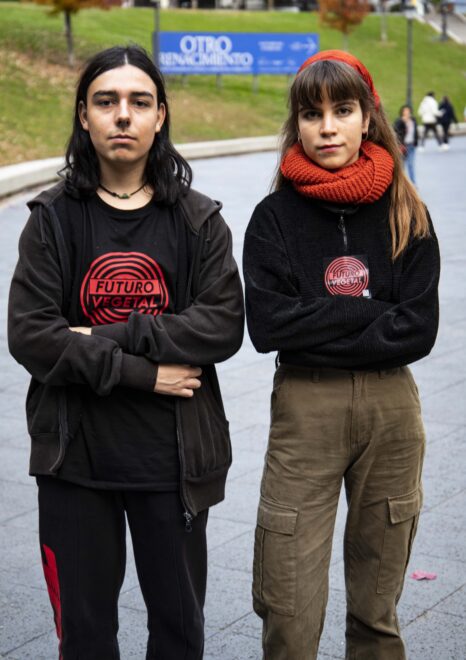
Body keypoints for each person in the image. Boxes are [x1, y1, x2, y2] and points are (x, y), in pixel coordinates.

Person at [8, 45, 244, 659]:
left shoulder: (197, 220)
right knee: (84, 638)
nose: (122, 115)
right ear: (83, 115)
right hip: (74, 463)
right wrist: (145, 373)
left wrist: (105, 334)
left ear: (160, 116)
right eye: (106, 101)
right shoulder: (53, 219)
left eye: (139, 102)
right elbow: (32, 335)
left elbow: (221, 326)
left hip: (172, 465)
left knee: (178, 632)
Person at [243, 50, 440, 659]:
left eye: (343, 110)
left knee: (378, 607)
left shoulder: (408, 210)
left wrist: (319, 317)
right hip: (307, 405)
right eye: (312, 113)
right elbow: (270, 324)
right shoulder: (272, 219)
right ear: (296, 125)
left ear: (367, 117)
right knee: (289, 603)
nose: (327, 127)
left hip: (391, 409)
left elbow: (419, 328)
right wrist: (373, 309)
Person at [394, 104, 418, 184]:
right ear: (402, 112)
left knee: (411, 165)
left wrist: (416, 141)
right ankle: (402, 184)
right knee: (401, 166)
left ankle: (413, 183)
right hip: (402, 147)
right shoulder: (399, 121)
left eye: (408, 111)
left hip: (411, 146)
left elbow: (415, 132)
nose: (407, 112)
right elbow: (395, 130)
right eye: (405, 111)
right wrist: (402, 121)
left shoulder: (413, 120)